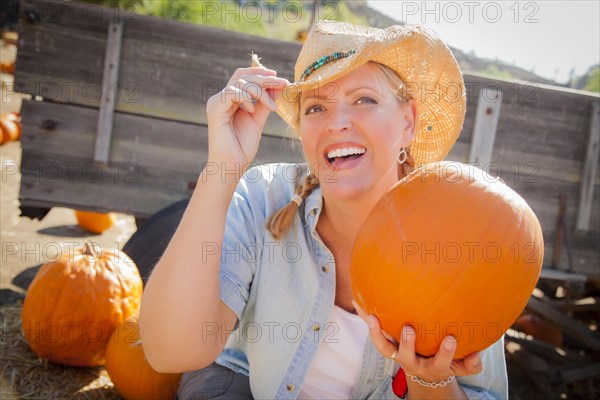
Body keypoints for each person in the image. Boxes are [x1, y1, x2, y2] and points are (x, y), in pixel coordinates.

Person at [139, 20, 509, 399]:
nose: (337, 123)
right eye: (316, 107)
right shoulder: (263, 195)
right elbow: (170, 351)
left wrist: (430, 379)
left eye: (364, 99)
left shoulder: (455, 238)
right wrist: (222, 168)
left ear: (408, 122)